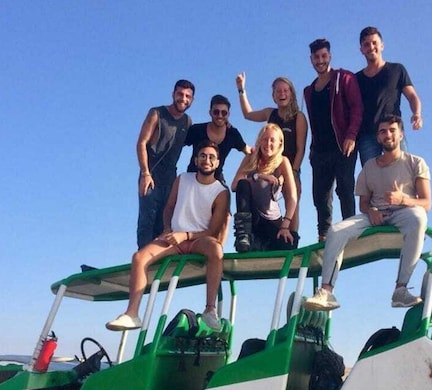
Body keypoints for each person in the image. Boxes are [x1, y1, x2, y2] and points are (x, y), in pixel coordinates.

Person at [304, 115, 431, 311]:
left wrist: (402, 199)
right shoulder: (369, 166)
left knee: (419, 217)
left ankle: (400, 290)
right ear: (378, 138)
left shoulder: (416, 162)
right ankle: (326, 291)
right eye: (382, 131)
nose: (387, 134)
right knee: (336, 230)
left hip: (404, 211)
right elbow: (363, 203)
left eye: (392, 130)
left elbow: (426, 202)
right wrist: (371, 211)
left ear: (400, 134)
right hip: (375, 214)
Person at [107, 141, 229, 332]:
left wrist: (186, 235)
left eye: (211, 157)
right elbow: (169, 208)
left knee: (216, 249)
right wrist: (166, 228)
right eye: (203, 156)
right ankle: (131, 314)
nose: (207, 160)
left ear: (217, 162)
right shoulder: (182, 179)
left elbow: (213, 231)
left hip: (199, 239)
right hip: (174, 238)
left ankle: (210, 309)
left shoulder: (221, 192)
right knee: (139, 257)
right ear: (196, 160)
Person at [303, 38, 363, 242]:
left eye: (323, 56)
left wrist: (351, 135)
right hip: (320, 150)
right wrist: (312, 149)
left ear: (330, 56)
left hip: (342, 144)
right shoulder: (309, 91)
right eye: (316, 57)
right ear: (311, 60)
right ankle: (324, 234)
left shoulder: (344, 78)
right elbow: (313, 121)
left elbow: (357, 108)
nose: (320, 60)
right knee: (320, 195)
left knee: (345, 187)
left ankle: (350, 229)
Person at [235, 73, 307, 233]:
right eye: (278, 91)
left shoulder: (299, 117)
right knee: (262, 199)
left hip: (290, 166)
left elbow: (301, 148)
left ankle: (292, 236)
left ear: (291, 93)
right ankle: (255, 233)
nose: (282, 94)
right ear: (274, 96)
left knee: (292, 199)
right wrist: (241, 90)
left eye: (285, 90)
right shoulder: (270, 113)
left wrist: (293, 173)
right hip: (268, 165)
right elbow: (248, 114)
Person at [135, 79, 195, 249]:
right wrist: (145, 173)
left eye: (187, 96)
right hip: (151, 176)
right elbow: (141, 143)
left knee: (166, 222)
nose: (183, 99)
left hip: (170, 179)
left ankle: (160, 259)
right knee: (148, 221)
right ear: (173, 94)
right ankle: (144, 260)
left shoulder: (187, 122)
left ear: (192, 100)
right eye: (180, 94)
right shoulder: (157, 113)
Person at [356, 26, 422, 166]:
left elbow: (412, 96)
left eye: (374, 43)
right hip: (368, 136)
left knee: (401, 173)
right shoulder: (356, 79)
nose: (371, 47)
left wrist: (417, 113)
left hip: (393, 130)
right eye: (366, 44)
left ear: (382, 45)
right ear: (361, 49)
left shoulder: (397, 70)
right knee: (372, 177)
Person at [230, 123, 299, 253]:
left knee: (290, 243)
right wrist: (259, 176)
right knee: (243, 184)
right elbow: (235, 185)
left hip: (272, 220)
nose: (268, 144)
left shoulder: (282, 162)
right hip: (253, 218)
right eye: (265, 139)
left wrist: (285, 225)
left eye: (272, 140)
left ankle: (262, 245)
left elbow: (292, 197)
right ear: (259, 141)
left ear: (279, 143)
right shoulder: (250, 158)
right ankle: (243, 236)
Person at [183, 94, 251, 185]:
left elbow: (249, 151)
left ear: (228, 114)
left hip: (216, 180)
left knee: (225, 194)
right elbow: (177, 145)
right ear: (210, 112)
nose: (220, 115)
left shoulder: (232, 134)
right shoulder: (196, 130)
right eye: (216, 112)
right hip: (192, 179)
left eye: (224, 113)